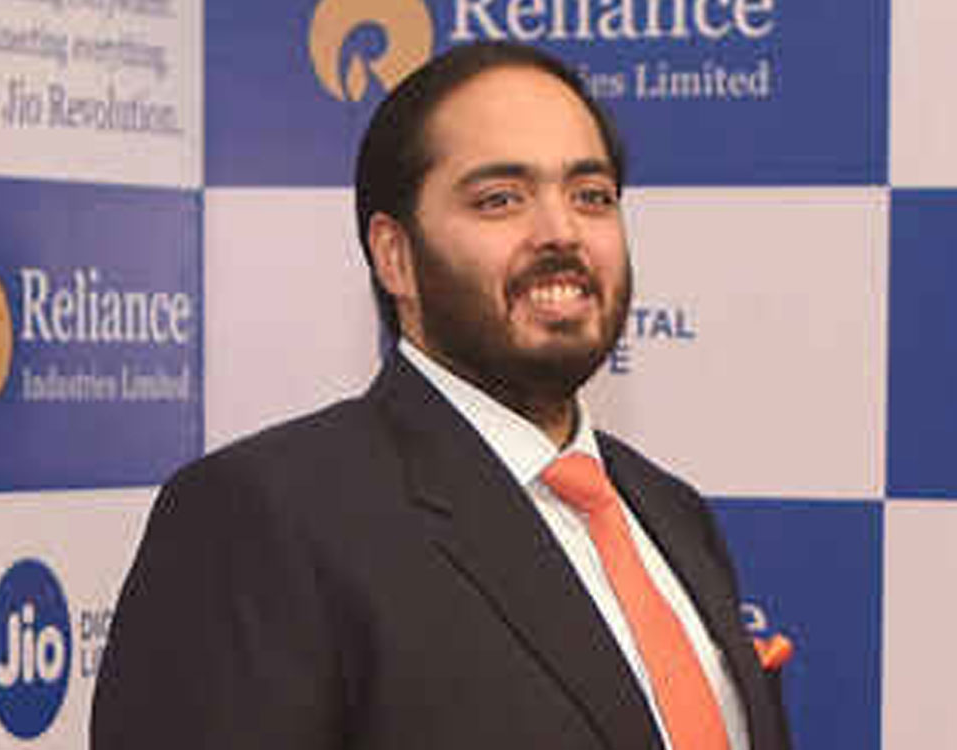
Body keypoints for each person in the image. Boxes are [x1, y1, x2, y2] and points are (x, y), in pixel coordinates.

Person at [92, 41, 792, 750]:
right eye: (500, 201)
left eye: (591, 196)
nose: (561, 233)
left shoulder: (670, 512)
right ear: (395, 257)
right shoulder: (262, 521)